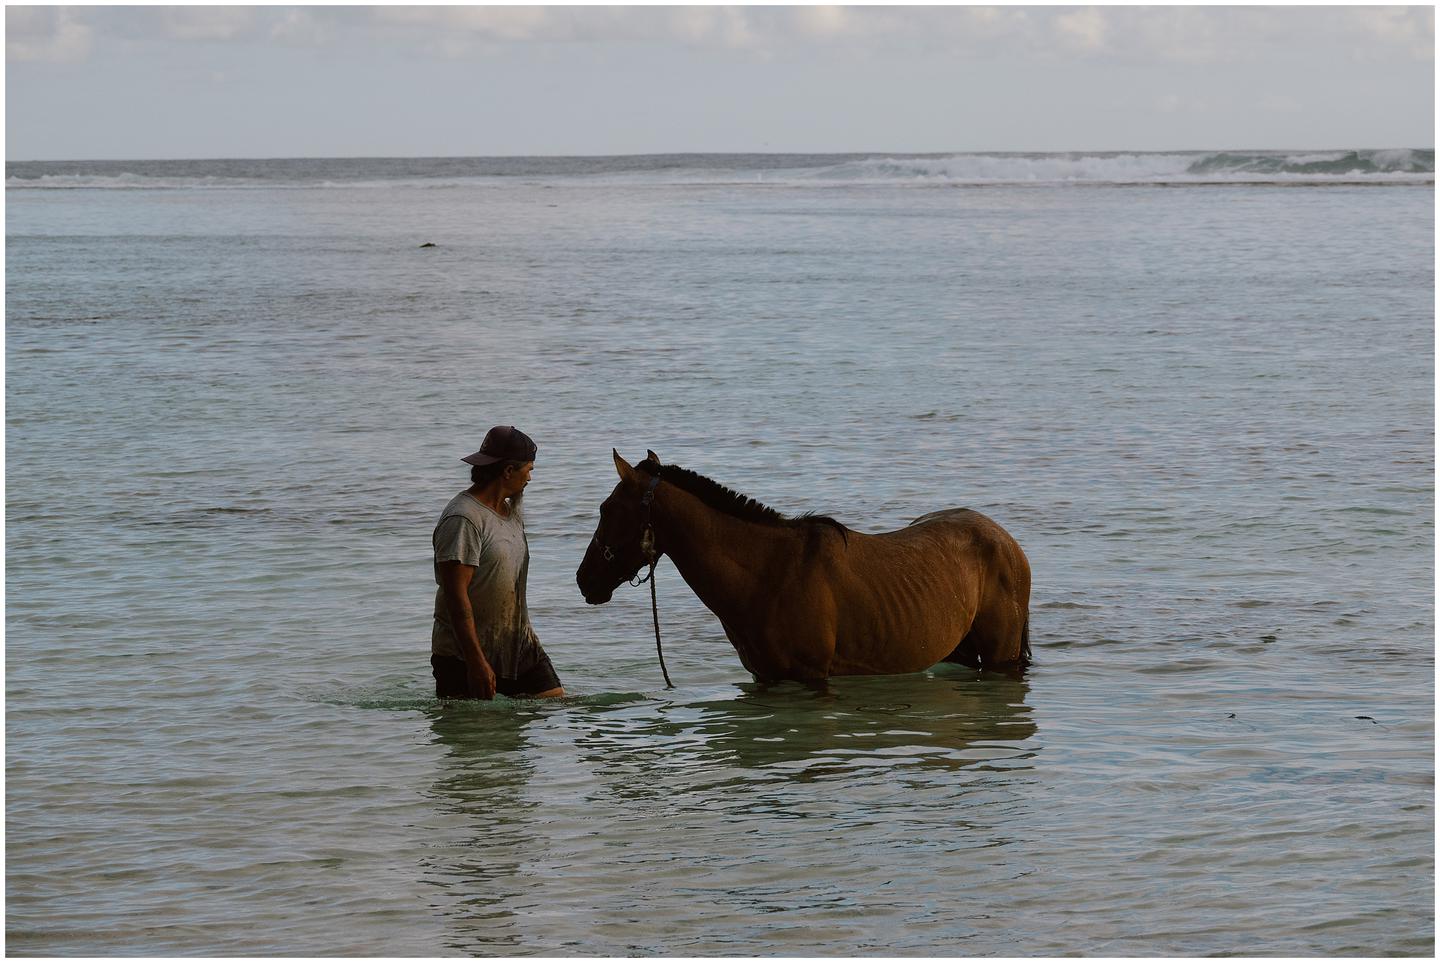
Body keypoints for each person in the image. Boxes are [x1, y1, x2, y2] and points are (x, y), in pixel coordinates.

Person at [430, 425, 564, 700]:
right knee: (477, 737)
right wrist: (476, 663)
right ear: (508, 471)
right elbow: (456, 595)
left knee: (555, 705)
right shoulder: (464, 519)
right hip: (465, 656)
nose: (529, 479)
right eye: (528, 470)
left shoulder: (510, 511)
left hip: (517, 646)